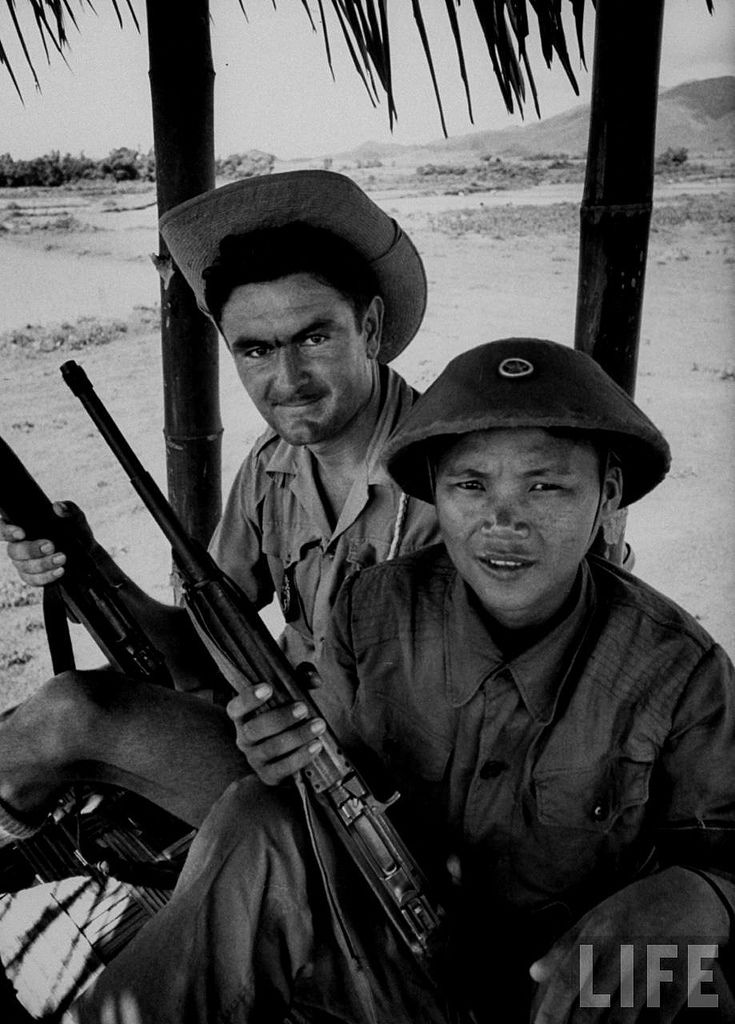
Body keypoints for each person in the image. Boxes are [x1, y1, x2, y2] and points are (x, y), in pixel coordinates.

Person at [63, 338, 735, 1023]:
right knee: (257, 814)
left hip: (558, 982)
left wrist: (701, 895)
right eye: (469, 486)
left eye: (545, 485)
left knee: (696, 985)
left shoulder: (678, 670)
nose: (502, 521)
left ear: (608, 493)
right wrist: (276, 752)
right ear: (435, 495)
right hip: (383, 945)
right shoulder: (372, 608)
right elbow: (326, 770)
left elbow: (723, 856)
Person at [0, 170, 437, 838]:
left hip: (397, 818)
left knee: (72, 714)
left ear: (370, 327)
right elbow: (200, 647)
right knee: (67, 709)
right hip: (283, 760)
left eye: (314, 338)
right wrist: (89, 565)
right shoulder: (273, 466)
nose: (286, 381)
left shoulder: (453, 481)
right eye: (256, 350)